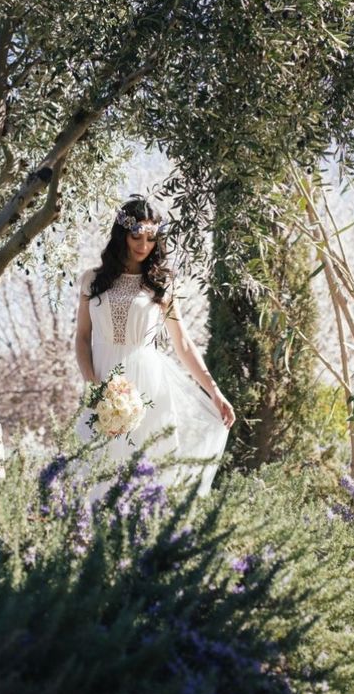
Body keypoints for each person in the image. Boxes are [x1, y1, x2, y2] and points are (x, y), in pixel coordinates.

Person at [75, 198, 235, 499]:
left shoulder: (160, 285)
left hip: (149, 388)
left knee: (149, 476)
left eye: (151, 238)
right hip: (102, 383)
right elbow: (82, 338)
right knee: (96, 472)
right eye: (137, 236)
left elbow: (183, 343)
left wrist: (214, 391)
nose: (143, 245)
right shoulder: (91, 281)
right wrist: (94, 386)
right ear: (121, 234)